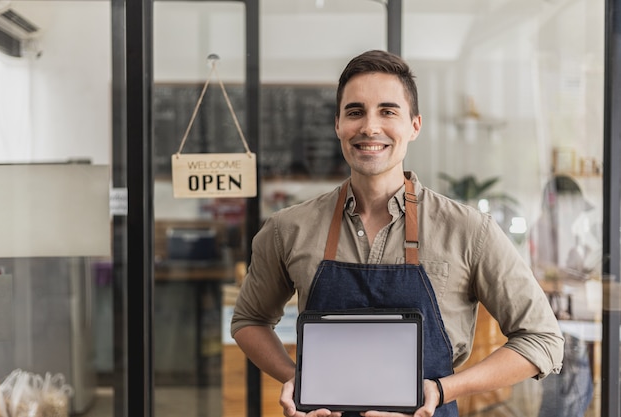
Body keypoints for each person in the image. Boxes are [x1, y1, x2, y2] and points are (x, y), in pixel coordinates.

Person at [231, 49, 564, 417]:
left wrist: (443, 389)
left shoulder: (469, 231)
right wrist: (300, 380)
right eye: (355, 112)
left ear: (414, 126)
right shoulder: (288, 228)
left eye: (388, 111)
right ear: (338, 125)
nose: (370, 127)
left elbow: (542, 339)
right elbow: (250, 321)